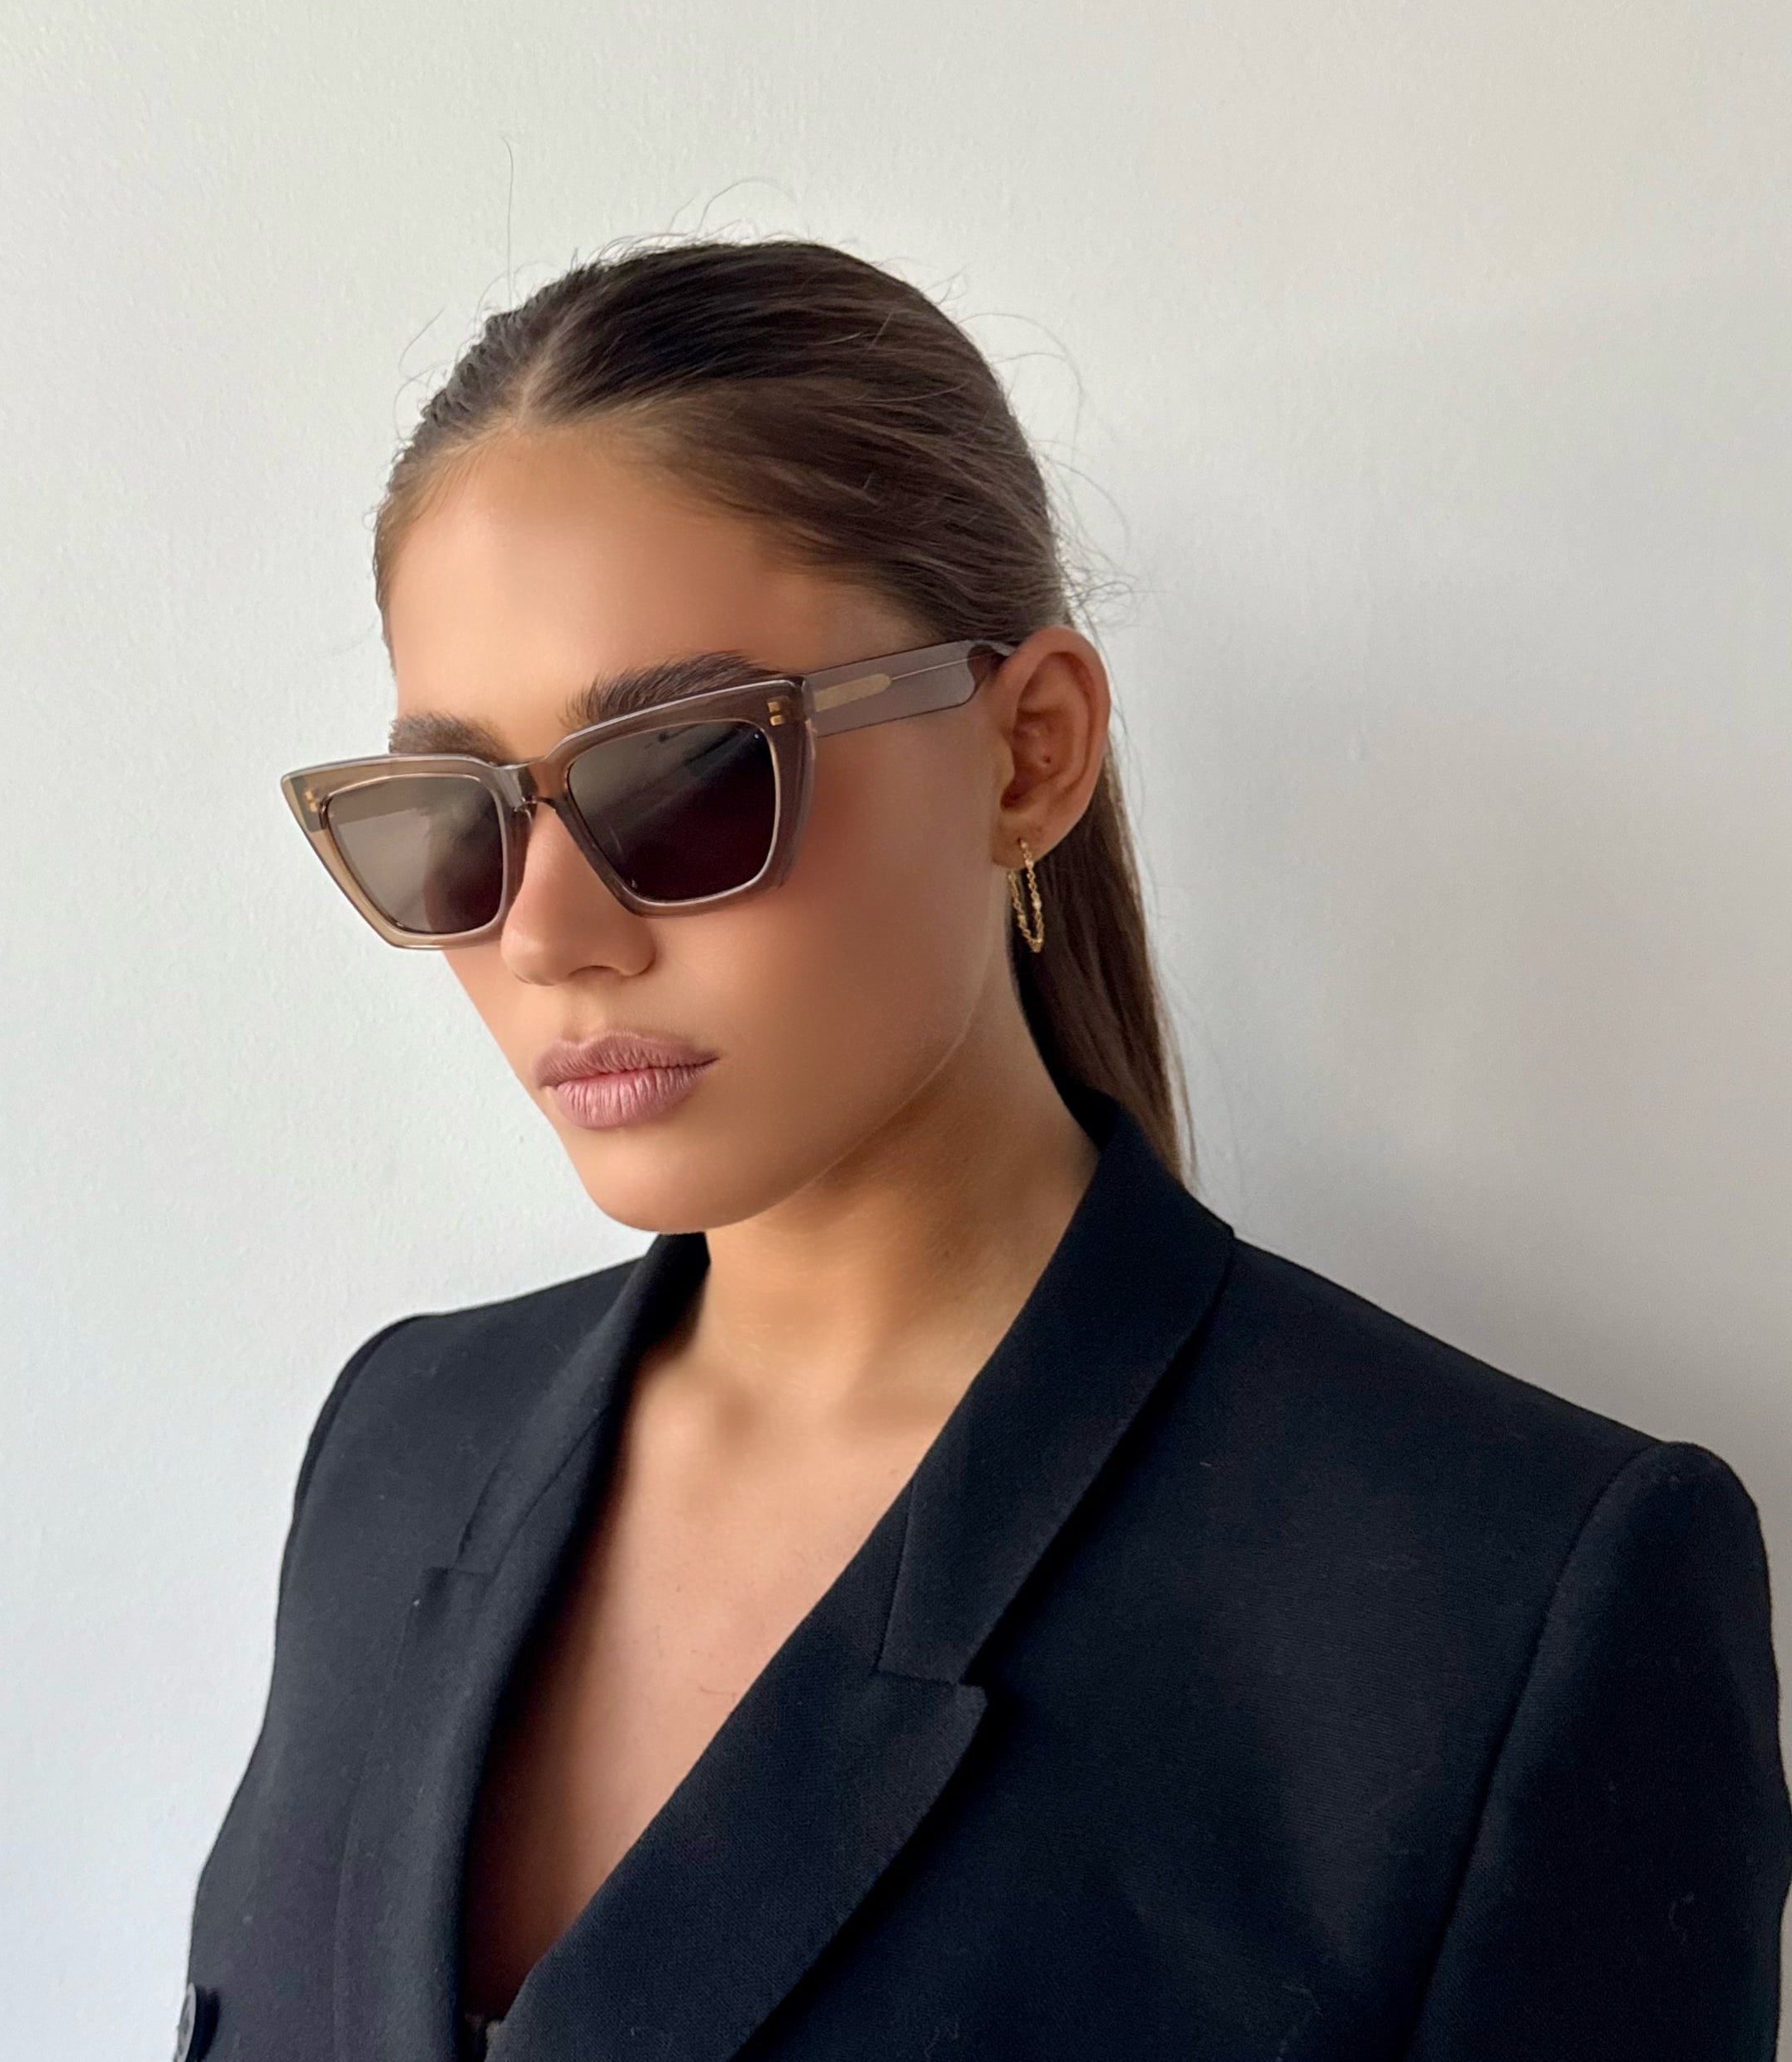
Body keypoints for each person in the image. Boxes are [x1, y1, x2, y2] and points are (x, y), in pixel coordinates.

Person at [176, 237, 1790, 2062]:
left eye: (687, 777)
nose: (546, 932)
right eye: (449, 820)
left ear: (1027, 752)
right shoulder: (396, 1450)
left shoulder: (1501, 1596)